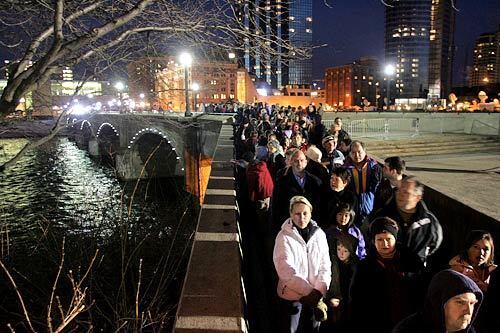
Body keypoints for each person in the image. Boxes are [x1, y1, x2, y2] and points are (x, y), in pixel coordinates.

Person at [349, 217, 424, 333]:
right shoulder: (364, 268)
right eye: (379, 239)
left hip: (408, 323)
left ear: (395, 239)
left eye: (388, 239)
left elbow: (422, 290)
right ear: (373, 241)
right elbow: (357, 301)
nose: (384, 243)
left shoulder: (411, 261)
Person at [273, 196, 332, 333]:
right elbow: (286, 271)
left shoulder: (319, 235)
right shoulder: (283, 237)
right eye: (297, 214)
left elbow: (325, 264)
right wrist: (310, 293)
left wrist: (319, 290)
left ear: (311, 213)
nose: (302, 217)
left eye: (305, 213)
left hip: (316, 296)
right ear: (291, 214)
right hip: (293, 297)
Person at [370, 176, 443, 266]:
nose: (400, 194)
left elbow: (434, 245)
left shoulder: (428, 221)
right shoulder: (381, 216)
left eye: (406, 192)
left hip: (415, 273)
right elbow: (371, 242)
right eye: (399, 190)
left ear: (417, 197)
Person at [392, 269, 483, 333]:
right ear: (439, 302)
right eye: (460, 302)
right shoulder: (408, 329)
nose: (469, 311)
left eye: (472, 303)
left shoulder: (470, 331)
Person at [272, 150, 323, 234]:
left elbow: (319, 207)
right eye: (296, 161)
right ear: (291, 162)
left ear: (306, 162)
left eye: (302, 160)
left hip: (311, 227)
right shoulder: (282, 183)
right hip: (289, 227)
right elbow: (276, 207)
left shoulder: (315, 182)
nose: (299, 163)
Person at [323, 233, 359, 332]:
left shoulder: (357, 266)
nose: (341, 254)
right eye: (339, 249)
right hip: (333, 301)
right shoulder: (332, 263)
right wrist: (331, 298)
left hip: (349, 304)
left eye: (345, 251)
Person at [344, 140, 381, 225]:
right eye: (353, 152)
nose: (357, 155)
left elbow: (378, 188)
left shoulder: (374, 167)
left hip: (370, 207)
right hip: (352, 208)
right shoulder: (345, 168)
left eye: (359, 152)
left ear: (365, 151)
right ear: (349, 153)